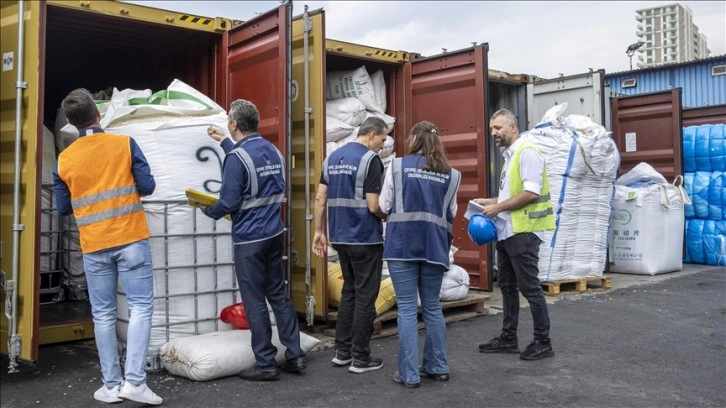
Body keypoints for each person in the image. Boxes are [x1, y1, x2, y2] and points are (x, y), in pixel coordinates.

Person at [52, 89, 162, 405]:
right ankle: (136, 383)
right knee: (141, 307)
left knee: (102, 314)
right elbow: (148, 186)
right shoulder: (124, 144)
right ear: (98, 115)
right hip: (130, 239)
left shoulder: (64, 160)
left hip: (94, 244)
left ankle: (111, 385)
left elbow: (62, 207)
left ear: (70, 123)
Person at [198, 99, 305, 381]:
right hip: (274, 233)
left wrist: (208, 209)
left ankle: (266, 363)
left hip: (249, 239)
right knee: (278, 295)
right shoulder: (273, 151)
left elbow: (230, 200)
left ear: (234, 124)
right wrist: (224, 142)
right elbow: (250, 163)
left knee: (254, 300)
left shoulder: (236, 159)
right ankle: (294, 355)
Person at [380, 121, 461, 388]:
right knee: (433, 307)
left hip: (403, 244)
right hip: (435, 246)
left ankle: (409, 373)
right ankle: (437, 366)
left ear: (415, 138)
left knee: (406, 308)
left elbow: (384, 204)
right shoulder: (452, 175)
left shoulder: (396, 166)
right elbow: (451, 213)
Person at [473, 108, 556, 361]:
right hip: (507, 231)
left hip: (524, 232)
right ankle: (509, 338)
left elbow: (530, 193)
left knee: (530, 288)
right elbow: (511, 195)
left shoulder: (527, 152)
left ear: (512, 127)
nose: (493, 133)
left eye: (497, 128)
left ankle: (543, 342)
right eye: (491, 129)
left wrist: (497, 207)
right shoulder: (510, 157)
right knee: (507, 286)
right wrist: (488, 201)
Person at [312, 117, 388, 373]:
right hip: (365, 237)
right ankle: (361, 358)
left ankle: (341, 351)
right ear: (372, 134)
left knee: (350, 293)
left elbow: (321, 197)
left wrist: (319, 231)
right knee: (366, 296)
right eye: (383, 139)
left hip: (341, 237)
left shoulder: (332, 158)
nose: (383, 144)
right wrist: (390, 214)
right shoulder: (370, 160)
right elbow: (373, 205)